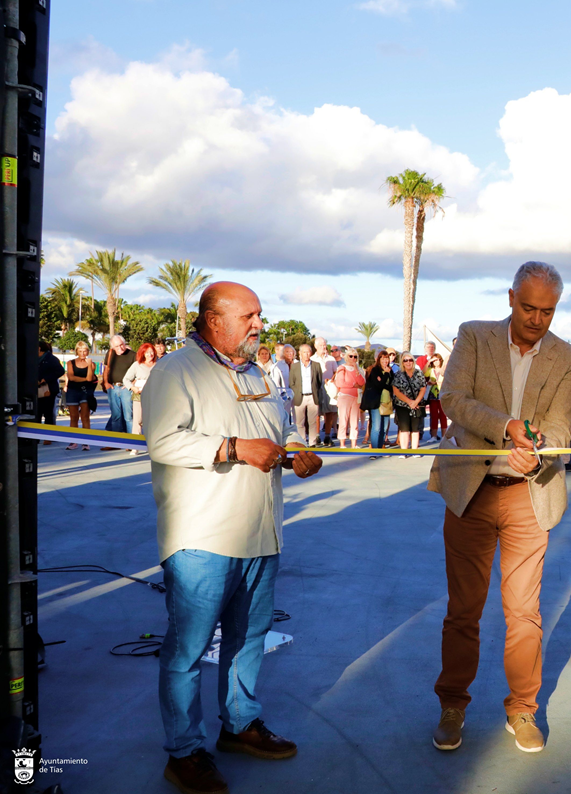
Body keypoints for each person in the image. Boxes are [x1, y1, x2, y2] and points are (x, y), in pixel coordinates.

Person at [141, 281, 322, 794]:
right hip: (202, 536)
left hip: (261, 534)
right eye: (250, 316)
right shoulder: (176, 370)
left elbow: (279, 427)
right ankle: (184, 752)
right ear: (214, 320)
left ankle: (241, 726)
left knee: (248, 640)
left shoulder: (259, 373)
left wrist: (296, 449)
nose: (260, 324)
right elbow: (164, 440)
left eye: (259, 315)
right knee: (188, 650)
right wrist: (234, 448)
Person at [427, 261, 571, 755]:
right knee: (463, 610)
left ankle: (523, 709)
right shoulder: (473, 336)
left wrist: (537, 454)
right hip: (469, 491)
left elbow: (560, 430)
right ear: (511, 297)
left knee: (524, 613)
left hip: (528, 495)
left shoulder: (568, 358)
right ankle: (453, 705)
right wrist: (508, 426)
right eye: (530, 307)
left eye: (548, 311)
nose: (538, 319)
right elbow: (454, 398)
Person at [123, 343, 159, 453]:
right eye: (147, 352)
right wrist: (132, 388)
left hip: (154, 396)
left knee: (153, 421)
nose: (150, 354)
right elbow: (126, 379)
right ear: (142, 353)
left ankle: (153, 446)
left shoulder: (159, 364)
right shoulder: (136, 365)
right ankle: (135, 446)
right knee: (137, 421)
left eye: (151, 351)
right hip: (139, 395)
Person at [288, 344, 326, 447]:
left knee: (312, 421)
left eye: (308, 352)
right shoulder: (294, 366)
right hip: (300, 397)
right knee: (300, 422)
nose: (306, 354)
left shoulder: (316, 365)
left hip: (312, 397)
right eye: (304, 352)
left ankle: (312, 443)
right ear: (300, 353)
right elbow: (291, 383)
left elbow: (318, 382)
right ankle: (303, 442)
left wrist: (315, 392)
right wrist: (296, 392)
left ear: (311, 353)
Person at [391, 352, 427, 456]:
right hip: (402, 405)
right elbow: (396, 391)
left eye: (410, 360)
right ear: (402, 362)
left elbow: (423, 388)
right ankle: (404, 451)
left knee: (415, 429)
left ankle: (414, 451)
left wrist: (415, 402)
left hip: (416, 404)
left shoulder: (419, 373)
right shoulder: (398, 374)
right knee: (404, 428)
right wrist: (409, 402)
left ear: (413, 361)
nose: (408, 362)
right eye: (405, 360)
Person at [103, 334, 136, 441]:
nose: (120, 348)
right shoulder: (110, 353)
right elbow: (106, 368)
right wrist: (106, 383)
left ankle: (130, 441)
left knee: (128, 416)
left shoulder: (132, 355)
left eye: (122, 345)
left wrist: (130, 385)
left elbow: (138, 372)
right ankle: (117, 441)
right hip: (112, 388)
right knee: (115, 416)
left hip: (126, 388)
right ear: (113, 347)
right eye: (117, 346)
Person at [361, 349, 394, 456]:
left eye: (387, 358)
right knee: (376, 427)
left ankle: (380, 449)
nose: (385, 360)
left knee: (384, 428)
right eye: (383, 358)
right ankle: (374, 451)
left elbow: (392, 386)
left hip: (387, 402)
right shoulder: (375, 370)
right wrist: (385, 377)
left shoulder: (390, 371)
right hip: (376, 403)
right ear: (379, 359)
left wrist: (383, 381)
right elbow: (378, 385)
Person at [64, 341, 95, 450]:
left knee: (85, 417)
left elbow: (90, 378)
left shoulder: (92, 363)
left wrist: (89, 365)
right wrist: (84, 380)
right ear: (77, 351)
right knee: (74, 417)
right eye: (80, 351)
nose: (83, 353)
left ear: (88, 351)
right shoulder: (70, 363)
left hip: (85, 392)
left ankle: (86, 441)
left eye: (85, 351)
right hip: (73, 391)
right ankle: (74, 441)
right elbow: (71, 377)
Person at [333, 349, 365, 448]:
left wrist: (356, 370)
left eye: (355, 356)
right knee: (343, 420)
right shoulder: (342, 368)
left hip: (355, 397)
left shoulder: (358, 369)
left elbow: (362, 382)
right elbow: (340, 383)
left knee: (355, 421)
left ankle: (353, 443)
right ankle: (342, 443)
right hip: (344, 397)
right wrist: (353, 384)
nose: (353, 358)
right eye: (351, 356)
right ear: (347, 357)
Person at [312, 337, 339, 447]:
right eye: (321, 345)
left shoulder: (331, 359)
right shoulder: (312, 358)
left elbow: (336, 372)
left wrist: (332, 380)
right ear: (316, 346)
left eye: (324, 345)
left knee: (329, 413)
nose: (324, 347)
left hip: (329, 388)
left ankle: (327, 436)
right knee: (316, 413)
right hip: (317, 387)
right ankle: (317, 436)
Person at [35, 340, 65, 436]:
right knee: (37, 413)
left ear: (39, 348)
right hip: (36, 390)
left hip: (48, 389)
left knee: (48, 413)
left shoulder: (51, 359)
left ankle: (48, 435)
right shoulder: (33, 358)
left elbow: (60, 371)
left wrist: (45, 379)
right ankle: (37, 434)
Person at [426, 353, 449, 441]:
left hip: (442, 394)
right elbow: (424, 372)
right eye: (434, 360)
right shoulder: (430, 370)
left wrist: (435, 383)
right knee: (434, 416)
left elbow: (446, 382)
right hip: (433, 394)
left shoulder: (445, 370)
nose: (436, 362)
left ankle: (444, 436)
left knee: (443, 416)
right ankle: (434, 436)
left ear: (441, 360)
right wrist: (429, 361)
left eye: (437, 360)